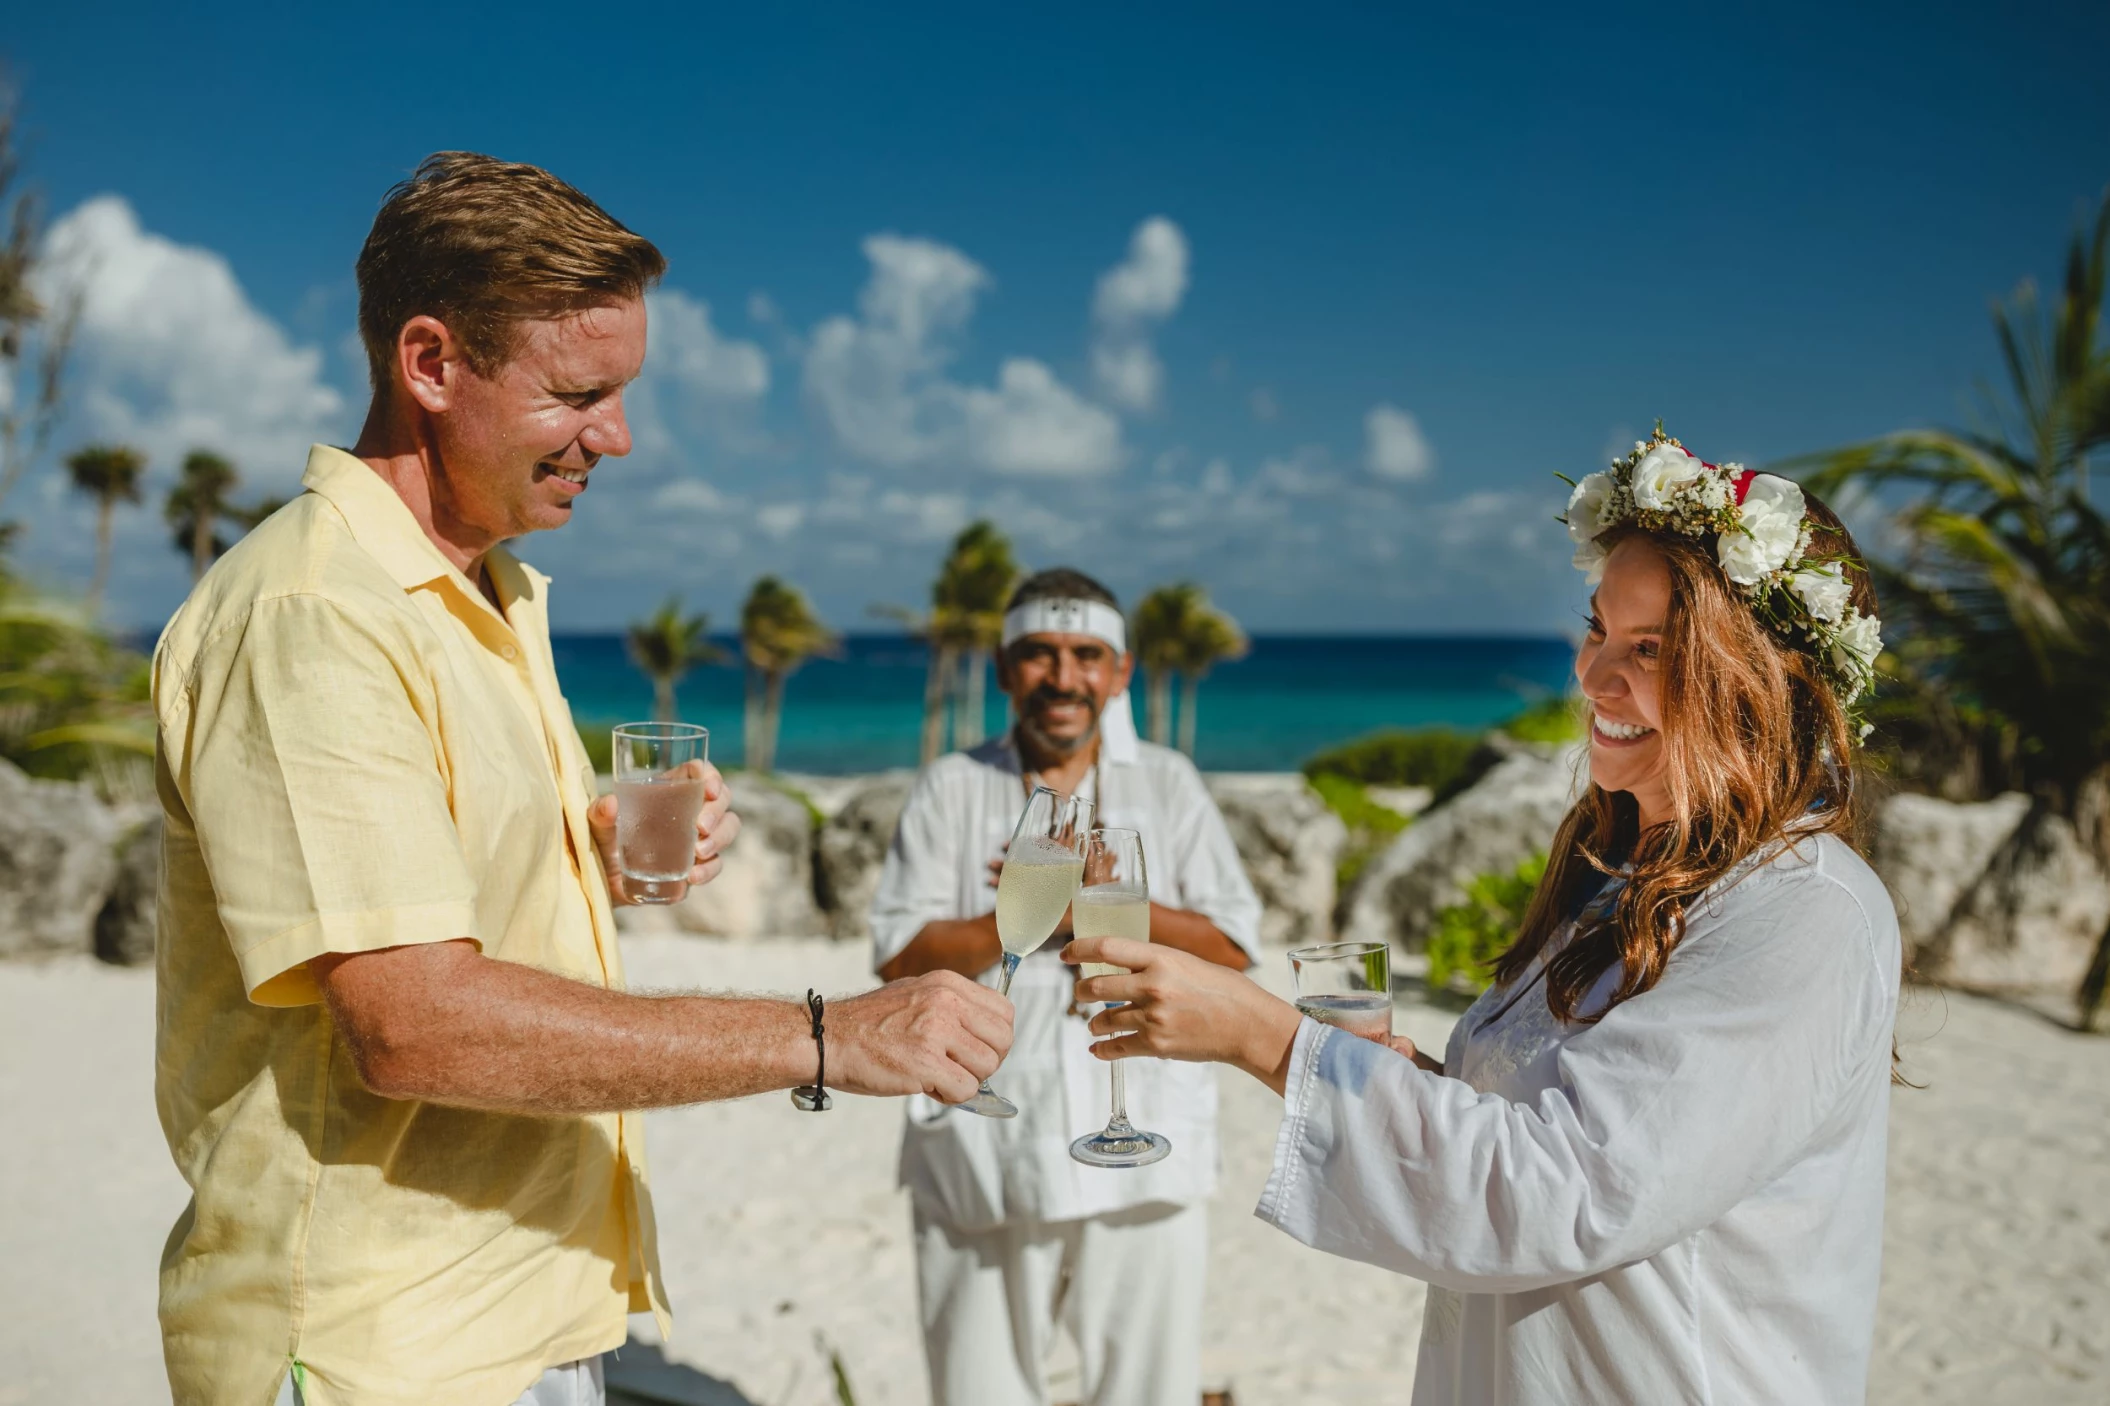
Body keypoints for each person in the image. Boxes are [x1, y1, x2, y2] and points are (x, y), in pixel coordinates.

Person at [151, 153, 1012, 1406]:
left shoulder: (484, 592)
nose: (616, 436)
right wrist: (826, 1035)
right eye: (579, 392)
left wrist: (574, 855)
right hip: (376, 1348)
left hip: (525, 1314)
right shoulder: (314, 613)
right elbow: (410, 1021)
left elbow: (423, 900)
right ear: (431, 364)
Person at [1064, 429, 1902, 1404]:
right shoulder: (1621, 873)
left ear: (1758, 680)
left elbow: (1570, 1187)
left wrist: (1266, 1037)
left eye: (1652, 650)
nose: (1594, 680)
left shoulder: (1803, 911)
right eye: (1596, 631)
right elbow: (1558, 1125)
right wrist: (1392, 1075)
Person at [869, 568, 1263, 1406]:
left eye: (1087, 655)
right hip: (981, 1145)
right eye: (1039, 655)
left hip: (1147, 1140)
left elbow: (1234, 946)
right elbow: (898, 956)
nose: (1063, 676)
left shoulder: (1168, 783)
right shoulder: (951, 785)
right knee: (979, 1390)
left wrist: (1108, 911)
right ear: (1005, 669)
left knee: (1148, 1390)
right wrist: (1026, 915)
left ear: (1120, 675)